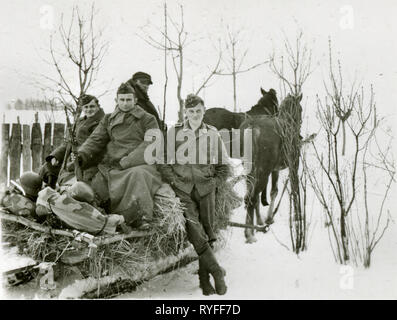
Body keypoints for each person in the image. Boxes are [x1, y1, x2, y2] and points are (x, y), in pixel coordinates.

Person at [157, 94, 231, 296]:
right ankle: (217, 271)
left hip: (206, 189)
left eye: (198, 111)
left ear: (204, 111)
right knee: (194, 229)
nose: (195, 114)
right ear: (185, 113)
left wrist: (215, 182)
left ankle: (204, 279)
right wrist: (174, 181)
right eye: (191, 111)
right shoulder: (175, 132)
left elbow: (224, 165)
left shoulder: (213, 134)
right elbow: (163, 161)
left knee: (208, 233)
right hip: (183, 190)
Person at [77, 83, 162, 230]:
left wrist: (127, 161)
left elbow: (150, 144)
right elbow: (96, 138)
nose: (125, 103)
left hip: (139, 163)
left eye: (128, 100)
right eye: (121, 100)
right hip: (113, 163)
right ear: (116, 100)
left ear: (135, 100)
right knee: (98, 182)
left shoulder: (148, 119)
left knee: (138, 176)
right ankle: (105, 216)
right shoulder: (109, 119)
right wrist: (83, 154)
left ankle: (138, 217)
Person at [39, 94, 105, 187]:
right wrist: (56, 156)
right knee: (48, 167)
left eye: (92, 106)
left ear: (98, 107)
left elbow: (96, 145)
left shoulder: (103, 122)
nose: (89, 109)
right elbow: (69, 142)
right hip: (75, 159)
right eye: (86, 107)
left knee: (76, 185)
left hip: (91, 162)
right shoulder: (80, 121)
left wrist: (80, 158)